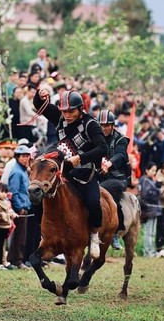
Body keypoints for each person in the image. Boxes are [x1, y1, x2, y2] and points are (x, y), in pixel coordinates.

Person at [33, 89, 108, 258]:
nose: (67, 115)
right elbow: (40, 106)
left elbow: (102, 148)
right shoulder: (60, 118)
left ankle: (94, 236)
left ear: (80, 109)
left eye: (71, 111)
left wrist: (79, 158)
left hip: (85, 173)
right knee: (38, 196)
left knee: (93, 202)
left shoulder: (91, 125)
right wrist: (39, 95)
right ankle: (43, 234)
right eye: (64, 111)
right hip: (62, 173)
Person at [96, 110, 131, 250]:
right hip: (100, 176)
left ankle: (116, 232)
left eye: (107, 125)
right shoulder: (94, 138)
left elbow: (121, 155)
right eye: (101, 125)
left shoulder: (120, 139)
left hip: (118, 176)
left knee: (110, 194)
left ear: (112, 125)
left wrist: (108, 164)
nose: (104, 128)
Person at [7, 145, 31, 269]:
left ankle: (14, 258)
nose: (26, 159)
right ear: (17, 157)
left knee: (21, 235)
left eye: (28, 156)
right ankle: (17, 260)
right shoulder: (16, 172)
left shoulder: (23, 170)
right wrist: (19, 207)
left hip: (25, 206)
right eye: (23, 156)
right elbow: (13, 192)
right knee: (19, 236)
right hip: (19, 208)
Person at [139, 162, 163, 258]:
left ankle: (151, 251)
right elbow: (147, 194)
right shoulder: (145, 180)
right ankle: (147, 252)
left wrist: (157, 185)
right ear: (146, 170)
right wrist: (159, 191)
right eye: (152, 170)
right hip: (148, 210)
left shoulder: (151, 180)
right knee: (148, 232)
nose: (154, 172)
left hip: (154, 210)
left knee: (152, 232)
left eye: (155, 170)